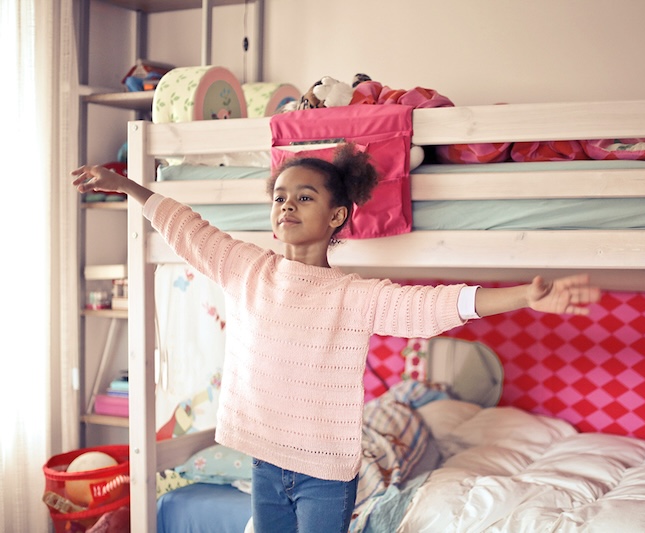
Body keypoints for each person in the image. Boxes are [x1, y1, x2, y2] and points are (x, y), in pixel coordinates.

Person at [72, 143, 601, 533]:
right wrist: (128, 188)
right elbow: (187, 228)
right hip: (265, 461)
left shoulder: (351, 294)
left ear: (338, 216)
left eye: (304, 197)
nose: (286, 206)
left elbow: (433, 306)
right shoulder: (246, 270)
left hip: (324, 473)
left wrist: (522, 296)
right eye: (279, 197)